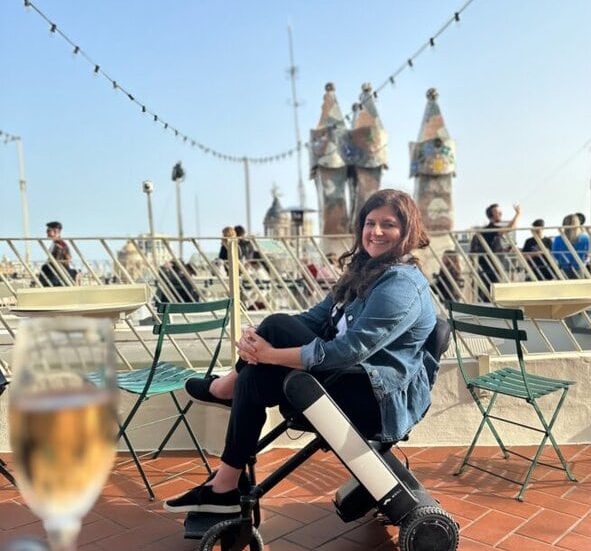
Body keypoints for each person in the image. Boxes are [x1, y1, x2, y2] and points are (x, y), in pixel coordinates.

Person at [164, 189, 437, 515]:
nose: (376, 232)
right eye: (370, 223)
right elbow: (314, 319)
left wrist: (270, 352)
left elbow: (350, 350)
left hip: (373, 399)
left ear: (407, 231)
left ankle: (225, 388)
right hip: (345, 380)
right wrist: (258, 341)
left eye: (388, 225)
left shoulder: (401, 285)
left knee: (274, 331)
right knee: (256, 371)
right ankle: (224, 486)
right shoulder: (365, 271)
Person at [471, 203, 521, 301]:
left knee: (492, 294)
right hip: (489, 268)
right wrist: (518, 213)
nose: (501, 214)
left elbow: (493, 247)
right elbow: (510, 228)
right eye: (498, 212)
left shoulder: (492, 230)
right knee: (490, 295)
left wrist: (505, 250)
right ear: (491, 215)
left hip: (494, 267)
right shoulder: (490, 229)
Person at [551, 214, 589, 279]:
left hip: (563, 269)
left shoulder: (558, 239)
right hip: (579, 269)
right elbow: (586, 254)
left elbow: (555, 255)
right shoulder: (585, 238)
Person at [39, 221, 76, 286]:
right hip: (55, 271)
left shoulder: (60, 245)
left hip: (58, 273)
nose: (46, 232)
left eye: (48, 230)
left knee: (45, 268)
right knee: (44, 268)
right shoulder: (54, 243)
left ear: (56, 231)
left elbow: (67, 259)